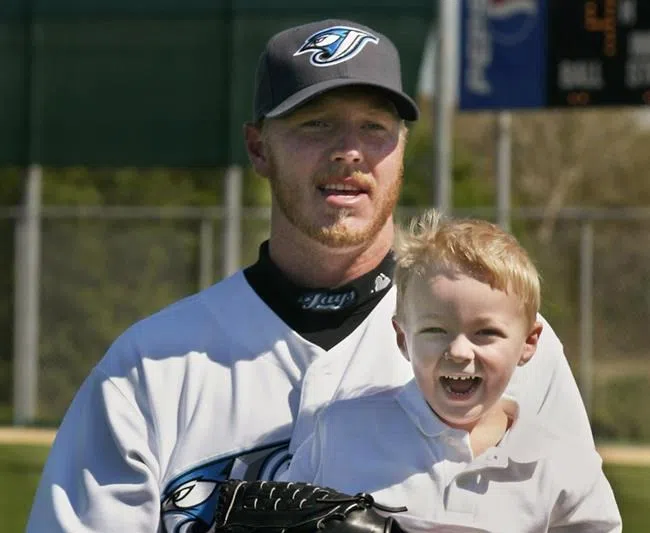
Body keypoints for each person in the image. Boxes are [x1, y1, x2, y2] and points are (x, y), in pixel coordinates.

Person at [27, 19, 594, 533]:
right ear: (258, 147)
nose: (348, 152)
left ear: (401, 149)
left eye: (374, 127)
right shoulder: (149, 368)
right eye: (315, 124)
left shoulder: (510, 346)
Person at [281, 209, 621, 532]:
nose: (458, 352)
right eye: (435, 331)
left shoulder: (562, 462)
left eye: (485, 332)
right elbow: (281, 520)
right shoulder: (341, 435)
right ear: (402, 338)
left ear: (529, 343)